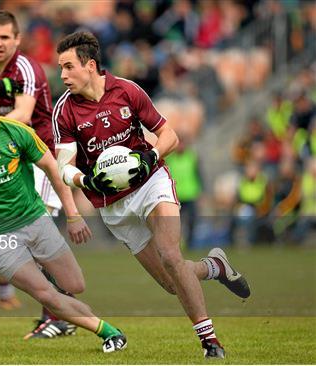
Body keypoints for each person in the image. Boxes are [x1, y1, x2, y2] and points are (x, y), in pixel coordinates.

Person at [52, 31, 251, 359]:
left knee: (171, 255)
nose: (62, 75)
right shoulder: (65, 111)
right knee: (173, 282)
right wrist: (87, 180)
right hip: (114, 205)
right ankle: (214, 266)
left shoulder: (128, 90)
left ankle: (210, 342)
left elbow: (168, 135)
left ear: (89, 65)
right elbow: (63, 167)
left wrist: (151, 157)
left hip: (151, 184)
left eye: (68, 67)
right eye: (60, 68)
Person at [0, 78, 127, 353]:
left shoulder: (16, 131)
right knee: (45, 294)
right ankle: (109, 333)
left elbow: (52, 167)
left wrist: (73, 214)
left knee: (74, 284)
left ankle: (52, 289)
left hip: (35, 220)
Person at [0, 9, 71, 336]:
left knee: (38, 239)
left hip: (44, 158)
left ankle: (58, 317)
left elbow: (22, 114)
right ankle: (58, 314)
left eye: (5, 37)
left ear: (17, 40)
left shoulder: (25, 68)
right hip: (19, 163)